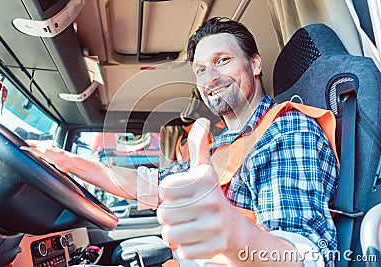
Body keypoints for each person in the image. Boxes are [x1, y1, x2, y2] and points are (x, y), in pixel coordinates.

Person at [22, 17, 339, 266]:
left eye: (222, 60)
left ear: (255, 64)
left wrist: (232, 232)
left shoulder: (285, 131)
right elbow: (144, 183)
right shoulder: (221, 145)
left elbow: (303, 254)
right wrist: (64, 160)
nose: (209, 78)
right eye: (200, 69)